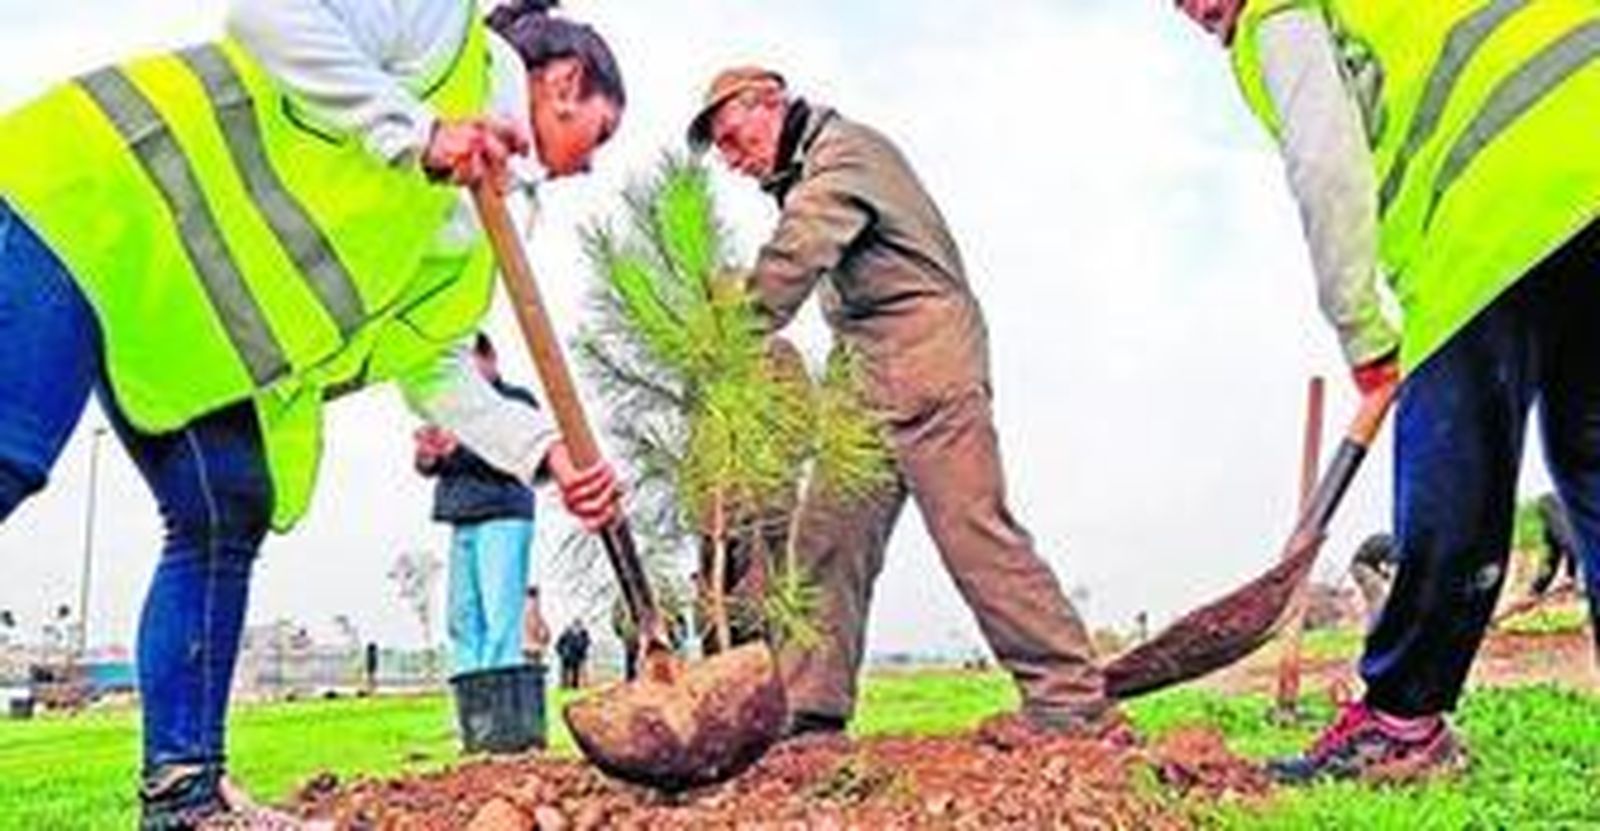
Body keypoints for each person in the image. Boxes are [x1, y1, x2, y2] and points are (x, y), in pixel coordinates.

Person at [0, 0, 625, 824]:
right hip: (89, 194)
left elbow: (433, 366)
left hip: (176, 314)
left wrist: (549, 454)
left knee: (226, 510)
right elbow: (267, 14)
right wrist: (416, 127)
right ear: (567, 82)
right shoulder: (443, 36)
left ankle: (185, 795)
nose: (589, 166)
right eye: (602, 135)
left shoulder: (482, 222)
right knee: (11, 456)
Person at [1176, 0, 1600, 783]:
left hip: (1495, 197)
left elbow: (1325, 160)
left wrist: (1364, 333)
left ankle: (1402, 724)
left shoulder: (1276, 11)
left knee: (1453, 465)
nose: (1191, 12)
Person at [687, 68, 1113, 740]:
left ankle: (1068, 700)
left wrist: (727, 336)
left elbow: (798, 254)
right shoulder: (807, 170)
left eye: (735, 139)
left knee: (973, 530)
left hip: (926, 357)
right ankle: (810, 711)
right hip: (862, 372)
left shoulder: (843, 153)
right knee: (826, 537)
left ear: (769, 103)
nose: (734, 161)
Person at [416, 332, 546, 752]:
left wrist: (460, 446)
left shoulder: (516, 404)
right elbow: (433, 465)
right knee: (462, 618)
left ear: (489, 359)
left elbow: (518, 455)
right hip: (462, 519)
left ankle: (504, 725)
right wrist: (431, 455)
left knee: (499, 619)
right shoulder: (452, 411)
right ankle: (475, 722)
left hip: (504, 516)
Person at [1348, 533, 1398, 623]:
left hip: (1362, 565)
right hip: (1363, 566)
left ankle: (1374, 624)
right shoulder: (1396, 547)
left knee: (1375, 599)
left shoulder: (1392, 542)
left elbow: (1385, 571)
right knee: (1378, 599)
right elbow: (1389, 569)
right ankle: (1378, 625)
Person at [555, 619, 590, 690]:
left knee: (575, 672)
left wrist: (582, 650)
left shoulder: (584, 634)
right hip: (567, 656)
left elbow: (587, 643)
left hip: (577, 656)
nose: (577, 628)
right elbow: (558, 645)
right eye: (576, 626)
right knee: (565, 672)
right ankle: (564, 686)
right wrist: (562, 652)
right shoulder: (566, 633)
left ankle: (575, 687)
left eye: (579, 626)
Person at [523, 587, 552, 667]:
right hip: (529, 646)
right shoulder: (529, 616)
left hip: (534, 646)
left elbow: (546, 634)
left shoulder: (537, 617)